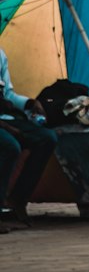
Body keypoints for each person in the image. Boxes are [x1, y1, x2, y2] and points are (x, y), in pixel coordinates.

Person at [0, 47, 57, 229]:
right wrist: (8, 128)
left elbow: (8, 94)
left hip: (5, 117)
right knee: (10, 147)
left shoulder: (0, 55)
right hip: (3, 123)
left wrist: (30, 103)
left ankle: (17, 200)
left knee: (46, 138)